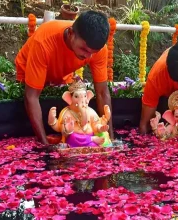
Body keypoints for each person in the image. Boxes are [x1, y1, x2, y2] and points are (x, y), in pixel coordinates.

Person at [15, 11, 114, 145]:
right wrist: (45, 145)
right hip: (28, 71)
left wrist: (111, 140)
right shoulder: (44, 42)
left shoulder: (98, 50)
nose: (88, 56)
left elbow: (102, 92)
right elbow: (31, 96)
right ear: (71, 33)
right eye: (84, 49)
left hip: (62, 76)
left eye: (93, 52)